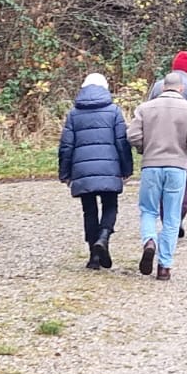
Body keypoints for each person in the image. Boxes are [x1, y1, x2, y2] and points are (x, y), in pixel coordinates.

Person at [127, 70, 187, 281]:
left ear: (162, 87)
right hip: (177, 167)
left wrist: (145, 148)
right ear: (182, 88)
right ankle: (164, 266)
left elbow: (132, 135)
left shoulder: (145, 108)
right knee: (171, 216)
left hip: (151, 165)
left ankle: (149, 241)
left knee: (148, 210)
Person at [58, 73, 132, 270]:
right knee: (110, 206)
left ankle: (94, 257)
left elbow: (66, 146)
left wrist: (65, 173)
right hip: (109, 168)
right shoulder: (114, 111)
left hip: (82, 170)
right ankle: (104, 237)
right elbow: (122, 143)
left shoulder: (74, 113)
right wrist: (127, 169)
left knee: (89, 211)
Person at [147, 50, 187, 237]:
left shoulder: (158, 86)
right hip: (185, 145)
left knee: (165, 185)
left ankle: (168, 220)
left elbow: (148, 112)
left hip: (158, 145)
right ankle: (176, 217)